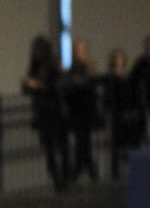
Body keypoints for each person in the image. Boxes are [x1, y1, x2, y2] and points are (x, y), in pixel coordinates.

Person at [21, 35, 70, 192]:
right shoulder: (34, 66)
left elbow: (56, 85)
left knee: (60, 146)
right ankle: (57, 177)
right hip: (42, 112)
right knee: (49, 147)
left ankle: (63, 177)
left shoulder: (53, 65)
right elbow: (26, 87)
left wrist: (38, 85)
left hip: (54, 111)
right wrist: (31, 85)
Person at [103, 48, 147, 179]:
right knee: (117, 144)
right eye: (117, 58)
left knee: (133, 142)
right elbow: (110, 97)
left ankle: (136, 170)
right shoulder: (110, 78)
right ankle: (115, 173)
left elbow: (135, 94)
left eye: (121, 58)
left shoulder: (130, 77)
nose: (119, 61)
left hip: (130, 113)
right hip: (118, 114)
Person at [62, 39, 101, 182]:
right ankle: (84, 166)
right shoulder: (73, 68)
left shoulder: (88, 67)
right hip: (77, 110)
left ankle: (84, 166)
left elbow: (90, 85)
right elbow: (68, 85)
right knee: (81, 140)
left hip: (86, 110)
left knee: (84, 140)